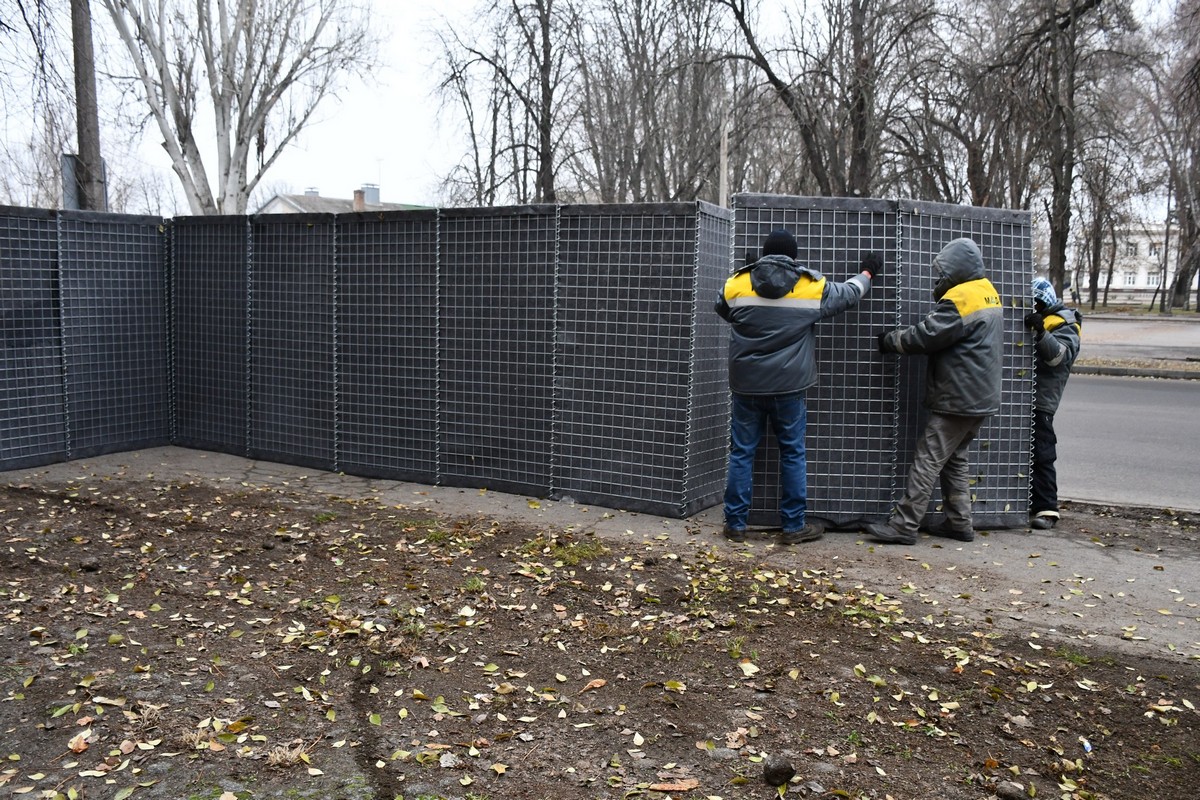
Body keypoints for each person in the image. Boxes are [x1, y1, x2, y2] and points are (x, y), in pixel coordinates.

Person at [715, 228, 880, 545]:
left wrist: (750, 286)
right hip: (789, 387)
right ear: (794, 257)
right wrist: (867, 271)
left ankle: (735, 524)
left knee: (741, 454)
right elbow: (850, 293)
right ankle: (793, 527)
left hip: (746, 385)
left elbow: (723, 309)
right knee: (792, 453)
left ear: (763, 255)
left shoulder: (736, 282)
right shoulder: (809, 286)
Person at [863, 237, 1002, 545]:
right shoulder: (987, 292)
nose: (939, 278)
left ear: (956, 269)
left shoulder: (961, 298)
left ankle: (904, 524)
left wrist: (890, 341)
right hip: (981, 397)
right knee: (955, 459)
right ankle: (959, 522)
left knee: (927, 459)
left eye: (943, 271)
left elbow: (927, 335)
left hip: (958, 398)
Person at [1024, 277, 1082, 530]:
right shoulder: (1041, 317)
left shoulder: (1066, 323)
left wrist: (1041, 333)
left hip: (1041, 400)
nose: (1033, 308)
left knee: (1041, 453)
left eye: (1036, 304)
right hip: (1020, 396)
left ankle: (1047, 509)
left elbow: (1058, 356)